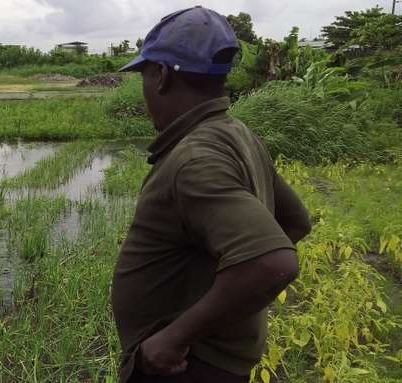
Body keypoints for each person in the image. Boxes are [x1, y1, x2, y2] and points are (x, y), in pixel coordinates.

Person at [111, 6, 312, 383]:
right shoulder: (236, 133)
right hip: (212, 360)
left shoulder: (195, 159)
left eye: (144, 75)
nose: (144, 92)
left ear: (162, 76)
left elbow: (274, 262)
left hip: (188, 367)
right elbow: (295, 221)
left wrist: (175, 337)